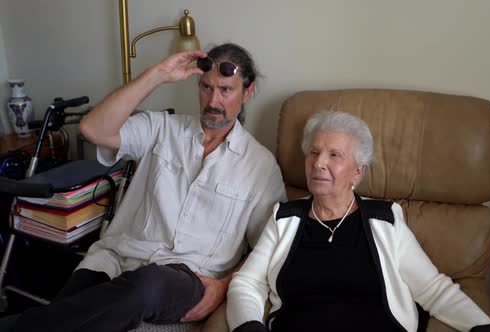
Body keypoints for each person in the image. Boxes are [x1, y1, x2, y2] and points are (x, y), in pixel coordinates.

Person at [3, 43, 286, 332]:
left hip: (186, 277)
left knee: (146, 285)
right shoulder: (161, 128)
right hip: (114, 259)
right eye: (206, 87)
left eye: (226, 90)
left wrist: (223, 286)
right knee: (72, 303)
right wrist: (159, 74)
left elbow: (269, 247)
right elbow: (92, 129)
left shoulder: (260, 167)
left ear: (247, 93)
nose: (213, 100)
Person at [226, 111, 490, 332]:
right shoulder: (284, 218)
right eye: (313, 152)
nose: (319, 162)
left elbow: (433, 290)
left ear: (357, 172)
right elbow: (246, 283)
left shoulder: (385, 219)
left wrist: (485, 328)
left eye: (334, 155)